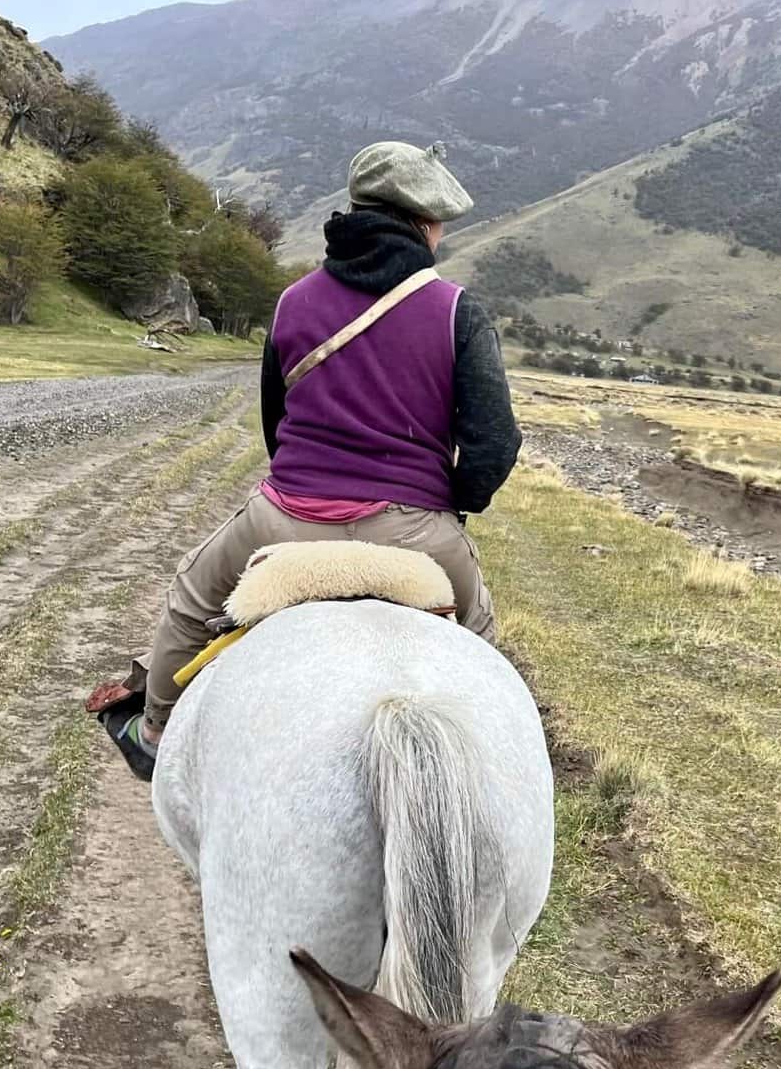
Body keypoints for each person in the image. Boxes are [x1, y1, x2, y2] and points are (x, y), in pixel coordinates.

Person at [101, 142, 521, 779]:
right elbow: (495, 444)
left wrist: (307, 481)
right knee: (483, 644)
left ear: (354, 212)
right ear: (424, 224)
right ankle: (506, 766)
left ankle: (155, 731)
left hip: (285, 518)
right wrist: (446, 503)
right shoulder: (458, 310)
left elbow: (277, 422)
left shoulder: (293, 302)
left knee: (190, 598)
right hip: (415, 529)